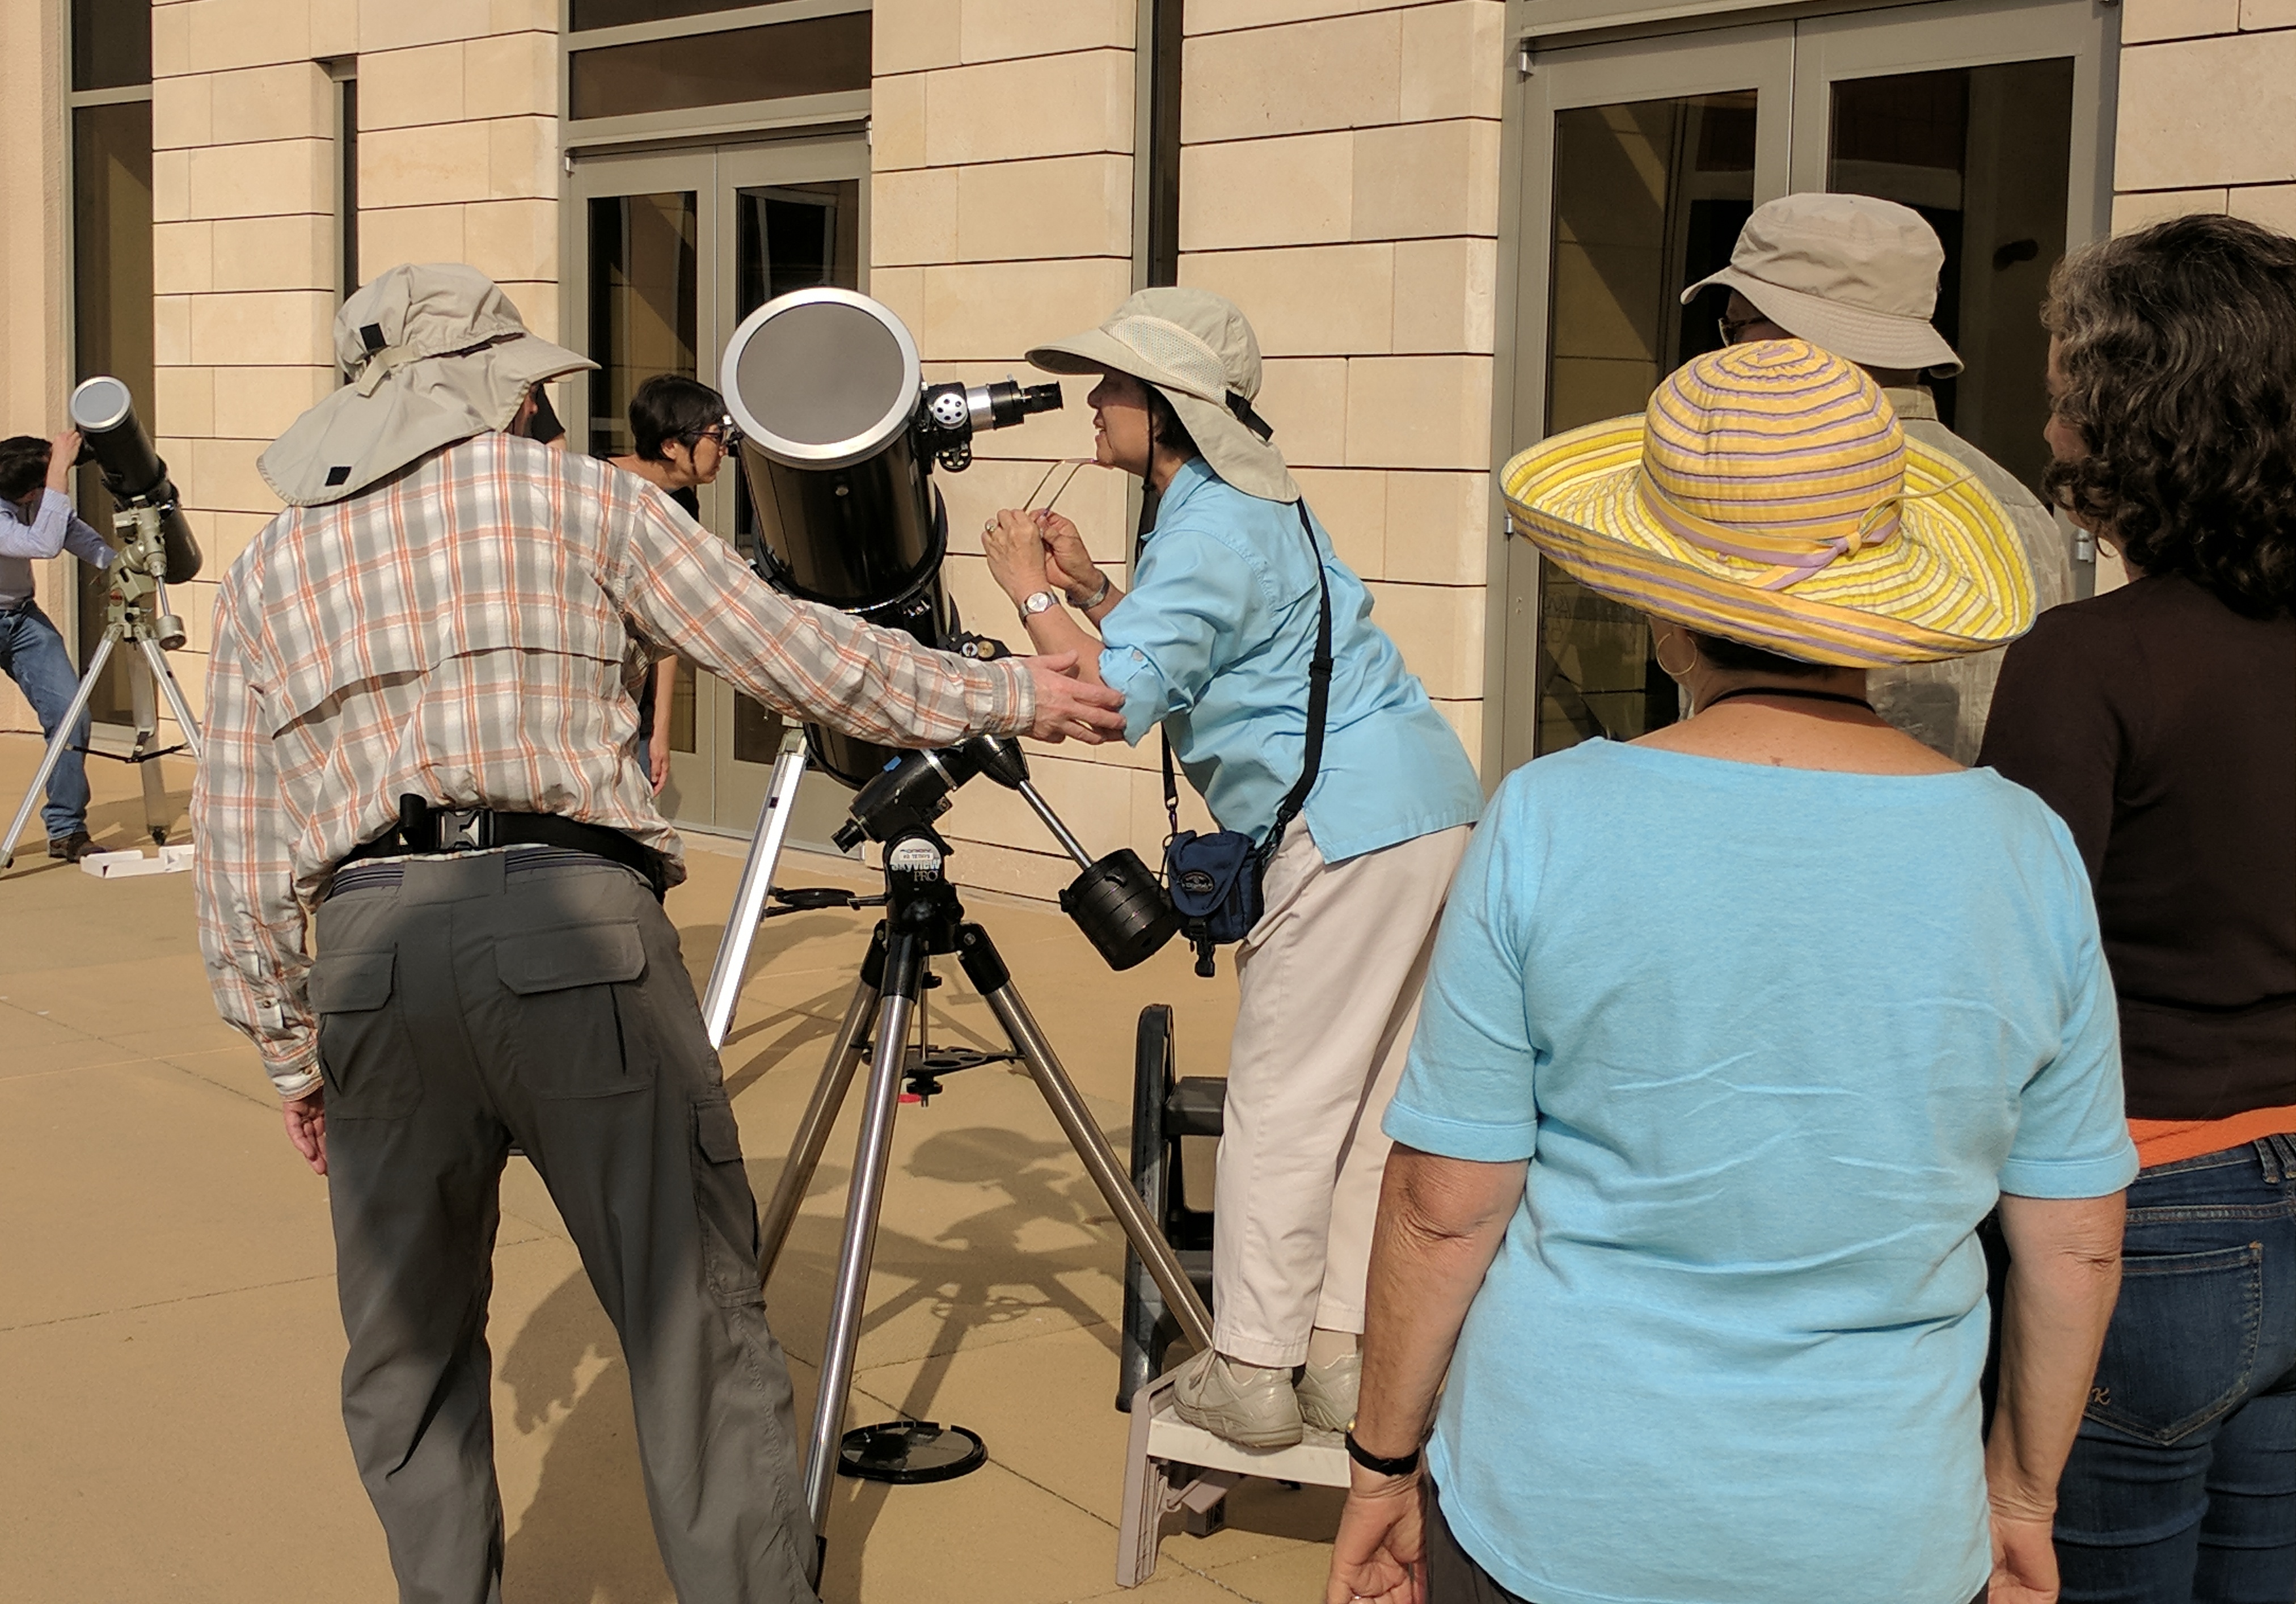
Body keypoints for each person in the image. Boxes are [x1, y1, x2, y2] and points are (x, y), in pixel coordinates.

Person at [190, 263, 1125, 1604]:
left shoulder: (277, 560)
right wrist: (1002, 692)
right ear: (507, 395)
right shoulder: (581, 502)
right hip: (575, 933)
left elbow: (238, 841)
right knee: (690, 1324)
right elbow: (792, 648)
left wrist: (292, 1047)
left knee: (404, 1356)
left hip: (371, 953)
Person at [1328, 341, 2136, 1604]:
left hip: (1558, 1503)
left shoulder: (1547, 818)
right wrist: (2023, 1497)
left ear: (1658, 598)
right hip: (1879, 1527)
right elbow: (2074, 1241)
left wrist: (1381, 1461)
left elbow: (1443, 1203)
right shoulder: (2022, 850)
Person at [978, 288, 1485, 1449]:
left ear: (1168, 408)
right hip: (1418, 809)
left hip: (1349, 828)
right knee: (1365, 1111)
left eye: (1113, 384)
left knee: (1282, 1101)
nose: (1094, 402)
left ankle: (1255, 1368)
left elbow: (1104, 703)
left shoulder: (1208, 524)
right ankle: (1343, 1362)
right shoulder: (1243, 505)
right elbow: (1197, 644)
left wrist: (1030, 592)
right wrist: (1101, 591)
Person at [1975, 214, 2296, 1604]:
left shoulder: (2086, 663)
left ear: (2132, 421)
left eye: (2064, 393)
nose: (2050, 427)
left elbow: (1999, 983)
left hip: (2145, 1216)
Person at [1687, 192, 2070, 762]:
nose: (1729, 351)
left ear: (1787, 336)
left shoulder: (1774, 493)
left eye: (1737, 325)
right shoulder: (2015, 505)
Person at [610, 373, 736, 793]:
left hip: (637, 708)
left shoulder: (680, 503)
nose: (724, 450)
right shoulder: (594, 484)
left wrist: (661, 730)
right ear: (670, 446)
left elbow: (665, 618)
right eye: (715, 437)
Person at [0, 430, 114, 862]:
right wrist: (58, 476)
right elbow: (43, 544)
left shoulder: (28, 498)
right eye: (43, 487)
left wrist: (117, 565)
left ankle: (66, 830)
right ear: (31, 491)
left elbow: (67, 530)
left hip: (22, 619)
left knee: (72, 717)